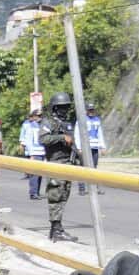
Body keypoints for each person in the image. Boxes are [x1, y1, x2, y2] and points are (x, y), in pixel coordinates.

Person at [38, 92, 78, 243]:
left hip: (68, 162)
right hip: (56, 163)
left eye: (66, 107)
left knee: (64, 195)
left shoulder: (67, 123)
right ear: (55, 108)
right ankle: (56, 230)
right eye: (61, 107)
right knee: (55, 196)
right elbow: (43, 139)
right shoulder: (48, 122)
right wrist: (61, 138)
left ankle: (57, 229)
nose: (64, 110)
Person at [75, 102, 106, 195]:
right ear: (86, 110)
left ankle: (94, 188)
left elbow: (99, 134)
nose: (91, 111)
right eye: (89, 110)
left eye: (92, 110)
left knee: (94, 167)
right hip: (85, 147)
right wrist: (79, 147)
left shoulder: (97, 120)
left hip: (95, 147)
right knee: (83, 167)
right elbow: (77, 134)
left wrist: (103, 146)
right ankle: (82, 188)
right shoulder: (81, 120)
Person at [19, 110, 44, 198]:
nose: (39, 117)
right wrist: (31, 154)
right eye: (38, 116)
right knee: (34, 174)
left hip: (42, 152)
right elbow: (28, 141)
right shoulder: (29, 125)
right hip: (34, 152)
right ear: (33, 116)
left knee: (40, 174)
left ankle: (37, 191)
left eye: (41, 115)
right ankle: (33, 193)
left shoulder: (42, 125)